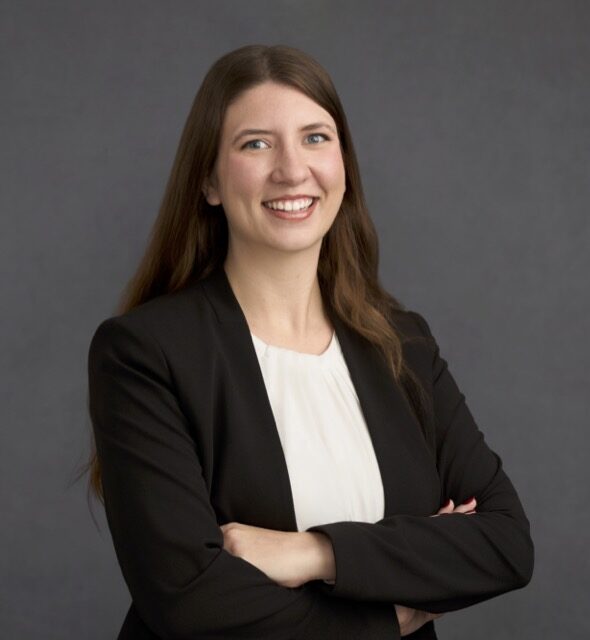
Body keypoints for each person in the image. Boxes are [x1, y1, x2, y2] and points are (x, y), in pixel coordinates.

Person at [85, 44, 534, 639]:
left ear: (343, 165)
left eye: (316, 138)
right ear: (209, 181)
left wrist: (311, 554)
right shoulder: (144, 354)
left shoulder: (403, 344)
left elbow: (504, 543)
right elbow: (189, 600)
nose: (293, 171)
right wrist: (386, 614)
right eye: (256, 143)